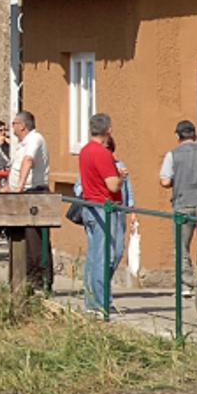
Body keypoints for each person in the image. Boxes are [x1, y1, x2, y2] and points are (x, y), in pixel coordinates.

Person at [159, 120, 197, 295]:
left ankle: (185, 285)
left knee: (182, 246)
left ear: (178, 136)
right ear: (195, 135)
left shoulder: (173, 154)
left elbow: (164, 180)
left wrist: (177, 179)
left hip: (182, 204)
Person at [77, 113, 126, 314]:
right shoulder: (102, 153)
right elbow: (112, 185)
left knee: (95, 255)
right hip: (103, 208)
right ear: (109, 130)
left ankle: (92, 299)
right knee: (107, 255)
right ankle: (101, 301)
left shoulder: (85, 151)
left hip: (90, 205)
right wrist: (121, 176)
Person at [8, 110, 52, 289]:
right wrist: (8, 187)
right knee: (22, 240)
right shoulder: (22, 143)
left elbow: (28, 161)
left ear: (22, 125)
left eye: (14, 124)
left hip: (34, 194)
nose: (12, 127)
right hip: (23, 194)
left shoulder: (35, 139)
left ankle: (40, 281)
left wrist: (19, 186)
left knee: (35, 242)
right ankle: (25, 279)